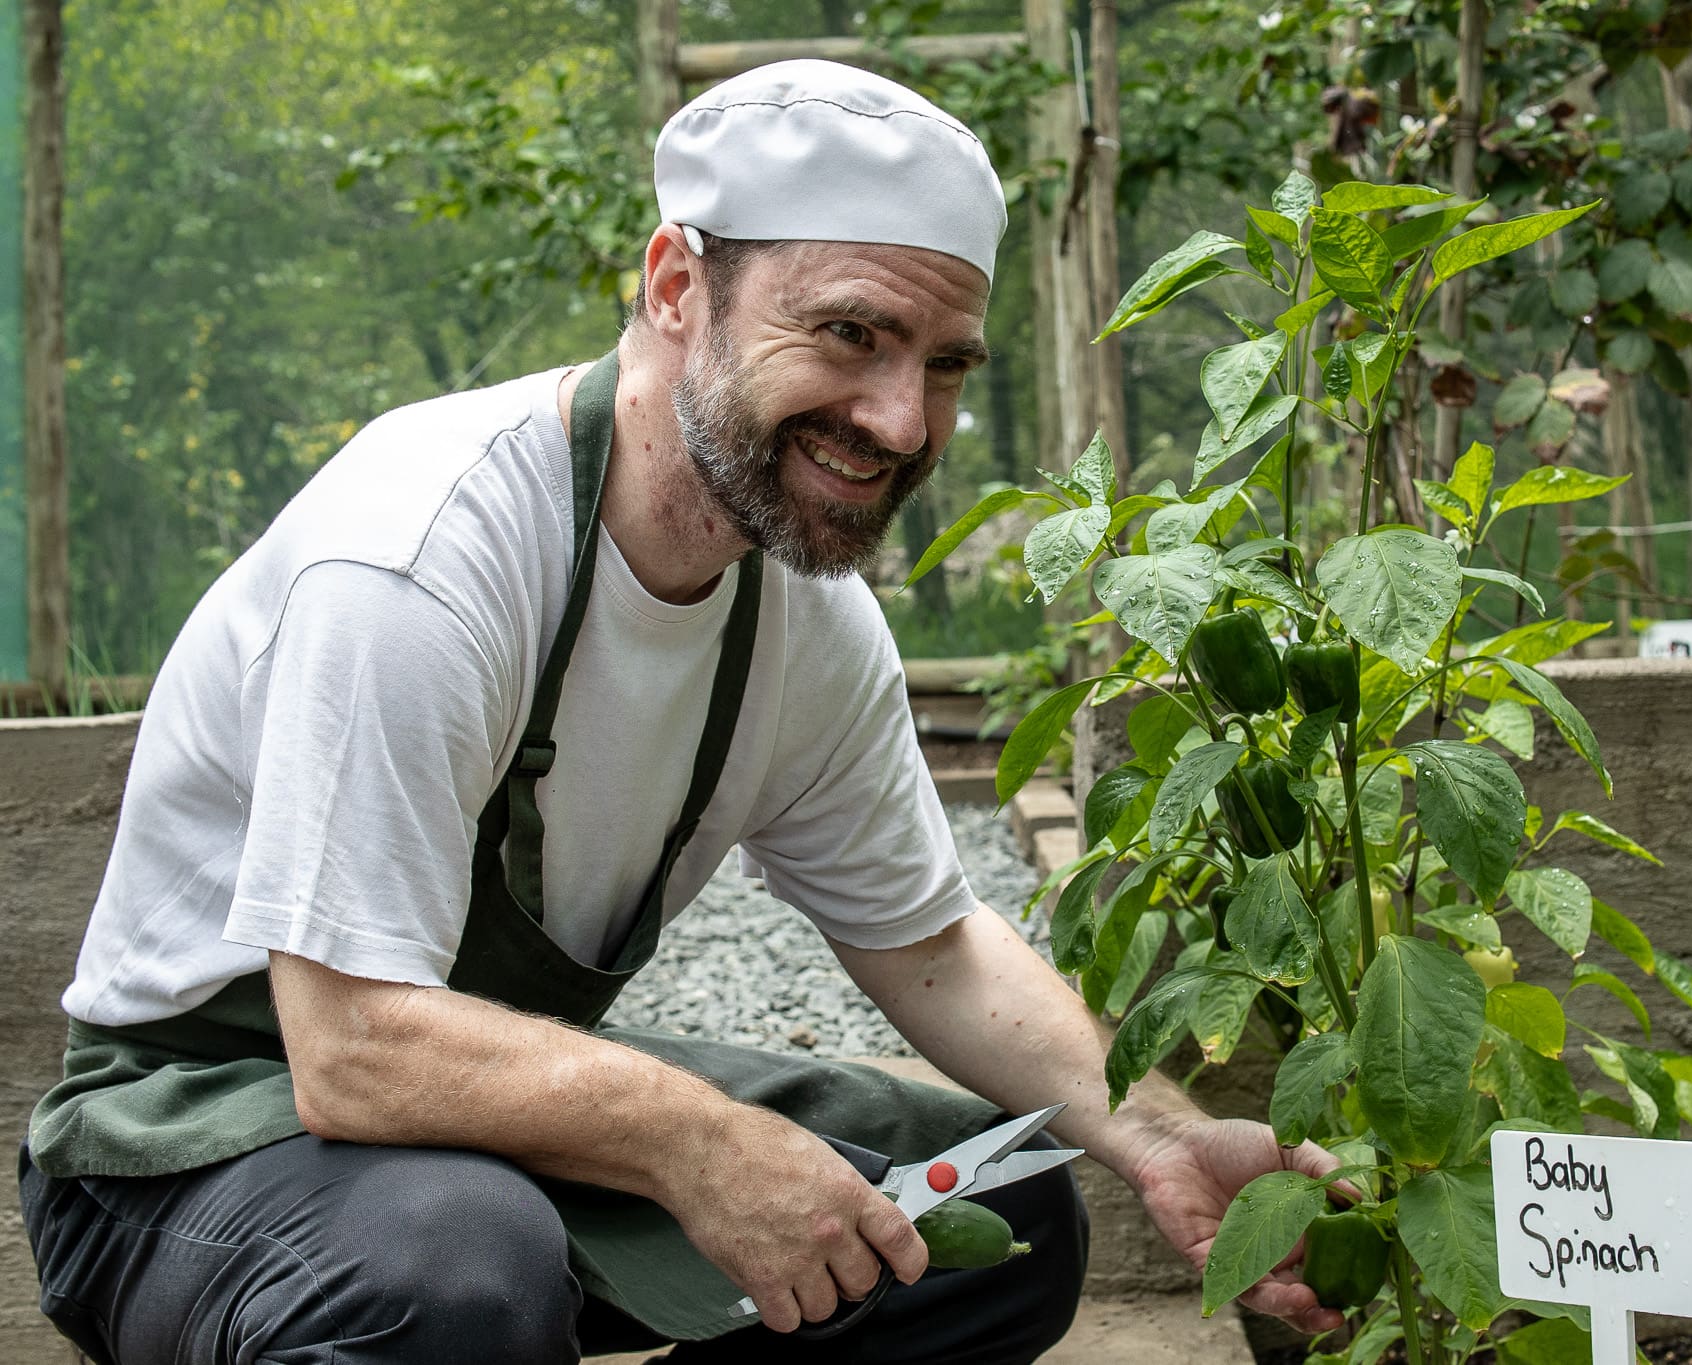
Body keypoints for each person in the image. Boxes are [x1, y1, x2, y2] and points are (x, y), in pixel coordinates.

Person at [17, 60, 1343, 1364]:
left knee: (998, 1215)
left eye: (943, 364)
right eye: (849, 333)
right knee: (461, 1274)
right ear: (673, 286)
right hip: (190, 1144)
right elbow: (355, 1049)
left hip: (470, 1133)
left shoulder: (799, 614)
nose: (899, 419)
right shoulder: (427, 554)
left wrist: (1160, 1136)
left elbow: (933, 947)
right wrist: (696, 1139)